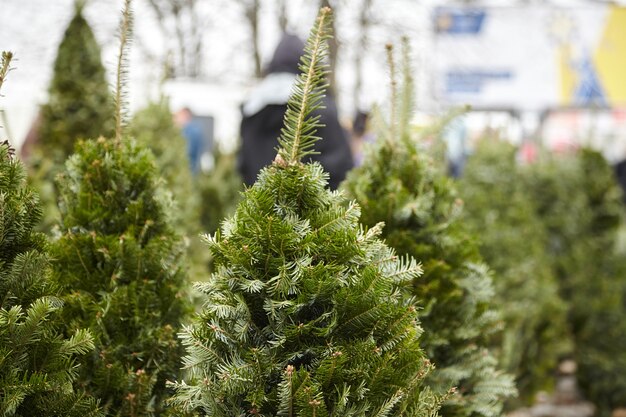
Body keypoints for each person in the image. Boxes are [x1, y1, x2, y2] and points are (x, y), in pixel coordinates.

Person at [238, 33, 353, 190]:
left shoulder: (252, 107)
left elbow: (243, 164)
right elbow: (341, 164)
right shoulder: (321, 105)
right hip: (312, 211)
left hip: (259, 209)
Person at [174, 107, 204, 176]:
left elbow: (186, 152)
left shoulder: (188, 131)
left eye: (179, 116)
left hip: (186, 171)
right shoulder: (197, 129)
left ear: (185, 115)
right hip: (193, 170)